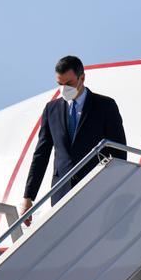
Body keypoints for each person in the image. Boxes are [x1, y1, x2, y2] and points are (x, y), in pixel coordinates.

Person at [21, 56, 126, 224]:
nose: (63, 89)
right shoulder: (51, 109)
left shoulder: (105, 106)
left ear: (82, 78)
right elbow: (41, 154)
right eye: (59, 84)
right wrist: (28, 197)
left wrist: (115, 192)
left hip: (95, 189)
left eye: (68, 84)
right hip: (61, 191)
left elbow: (119, 152)